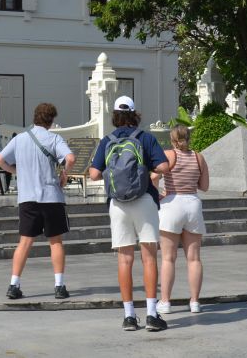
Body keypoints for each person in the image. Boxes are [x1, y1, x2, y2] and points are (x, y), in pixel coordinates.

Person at [89, 95, 171, 332]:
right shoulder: (145, 138)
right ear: (135, 114)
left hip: (118, 204)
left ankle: (128, 316)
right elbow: (164, 166)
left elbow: (94, 174)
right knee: (149, 257)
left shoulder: (107, 141)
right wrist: (149, 172)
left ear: (114, 115)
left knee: (124, 259)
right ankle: (152, 314)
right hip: (144, 199)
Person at [0, 103, 76, 300]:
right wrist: (64, 174)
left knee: (24, 243)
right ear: (51, 120)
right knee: (55, 242)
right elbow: (70, 158)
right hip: (51, 197)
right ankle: (59, 286)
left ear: (35, 117)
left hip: (27, 198)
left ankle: (14, 284)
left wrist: (17, 172)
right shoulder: (54, 138)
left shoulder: (20, 139)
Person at [154, 125, 209, 315]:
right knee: (194, 258)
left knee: (168, 258)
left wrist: (158, 193)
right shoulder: (198, 156)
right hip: (192, 204)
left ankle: (165, 302)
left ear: (172, 139)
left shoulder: (168, 155)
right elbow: (204, 186)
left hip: (171, 204)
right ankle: (194, 302)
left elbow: (153, 176)